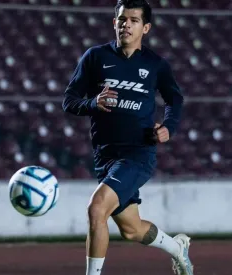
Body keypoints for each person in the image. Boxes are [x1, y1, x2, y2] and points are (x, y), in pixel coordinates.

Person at [62, 0, 193, 274]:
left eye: (134, 20)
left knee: (97, 209)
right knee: (132, 229)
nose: (127, 25)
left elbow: (174, 99)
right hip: (105, 157)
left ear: (145, 28)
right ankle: (176, 248)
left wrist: (169, 126)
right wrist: (92, 103)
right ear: (114, 23)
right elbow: (69, 101)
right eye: (122, 19)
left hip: (138, 153)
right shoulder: (95, 57)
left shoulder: (156, 64)